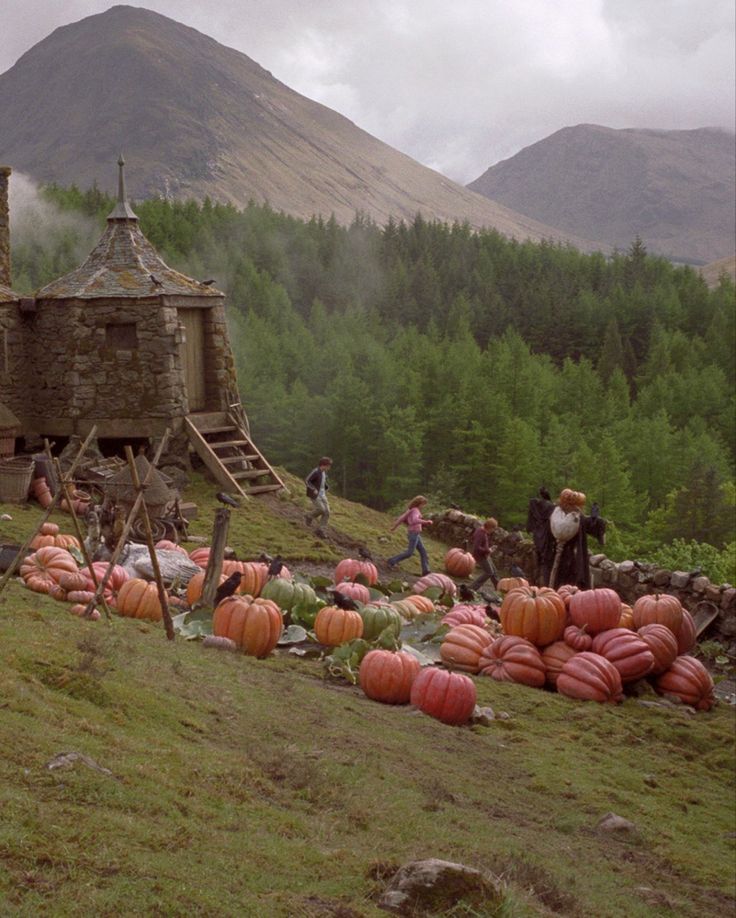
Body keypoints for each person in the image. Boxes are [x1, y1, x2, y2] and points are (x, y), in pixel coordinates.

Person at [388, 495, 433, 576]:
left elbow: (401, 518)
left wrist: (394, 527)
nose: (423, 506)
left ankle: (426, 570)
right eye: (423, 504)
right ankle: (392, 560)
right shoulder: (415, 510)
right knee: (409, 553)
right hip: (414, 534)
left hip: (416, 534)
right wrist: (426, 522)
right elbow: (414, 521)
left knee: (423, 551)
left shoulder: (411, 510)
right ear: (419, 503)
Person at [305, 457, 332, 538]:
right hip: (315, 494)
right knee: (321, 509)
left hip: (323, 495)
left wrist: (326, 486)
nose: (329, 468)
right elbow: (307, 480)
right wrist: (313, 489)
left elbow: (321, 481)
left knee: (327, 512)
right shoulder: (316, 471)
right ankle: (309, 516)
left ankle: (321, 530)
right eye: (328, 466)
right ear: (323, 465)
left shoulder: (323, 473)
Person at [469, 518, 499, 591]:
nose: (493, 531)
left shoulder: (483, 532)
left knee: (494, 571)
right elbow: (477, 547)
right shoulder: (480, 533)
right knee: (489, 572)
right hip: (480, 556)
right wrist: (488, 550)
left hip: (485, 554)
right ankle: (472, 587)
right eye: (493, 529)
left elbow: (482, 545)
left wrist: (489, 549)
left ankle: (498, 587)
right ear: (490, 527)